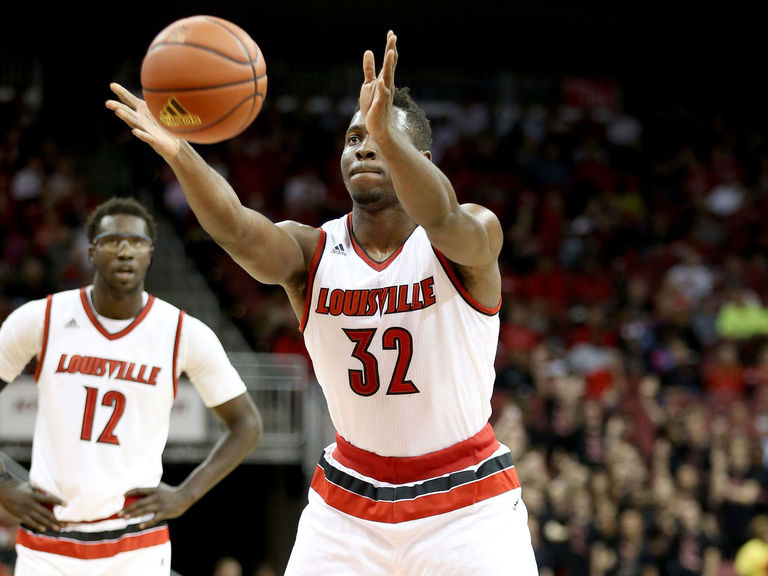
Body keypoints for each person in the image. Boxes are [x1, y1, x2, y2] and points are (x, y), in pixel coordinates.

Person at [107, 30, 539, 575]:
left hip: (466, 502)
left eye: (379, 137)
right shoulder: (311, 252)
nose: (363, 145)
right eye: (354, 137)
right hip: (348, 502)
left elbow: (444, 218)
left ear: (421, 158)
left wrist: (384, 125)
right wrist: (180, 153)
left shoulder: (470, 232)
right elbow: (239, 231)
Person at [0, 196, 263, 575]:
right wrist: (4, 485)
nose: (125, 251)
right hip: (49, 541)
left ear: (151, 253)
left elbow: (248, 425)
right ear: (92, 251)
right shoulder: (42, 318)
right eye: (112, 241)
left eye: (137, 242)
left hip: (135, 545)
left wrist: (186, 494)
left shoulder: (182, 332)